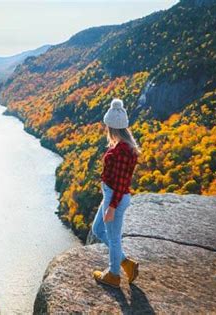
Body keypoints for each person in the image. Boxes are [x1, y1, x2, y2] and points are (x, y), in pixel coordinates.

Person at [92, 98, 141, 288]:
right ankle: (126, 264)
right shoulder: (124, 147)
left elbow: (121, 182)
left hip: (115, 198)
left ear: (111, 127)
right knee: (97, 229)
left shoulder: (121, 151)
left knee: (113, 238)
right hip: (111, 196)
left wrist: (111, 206)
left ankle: (113, 275)